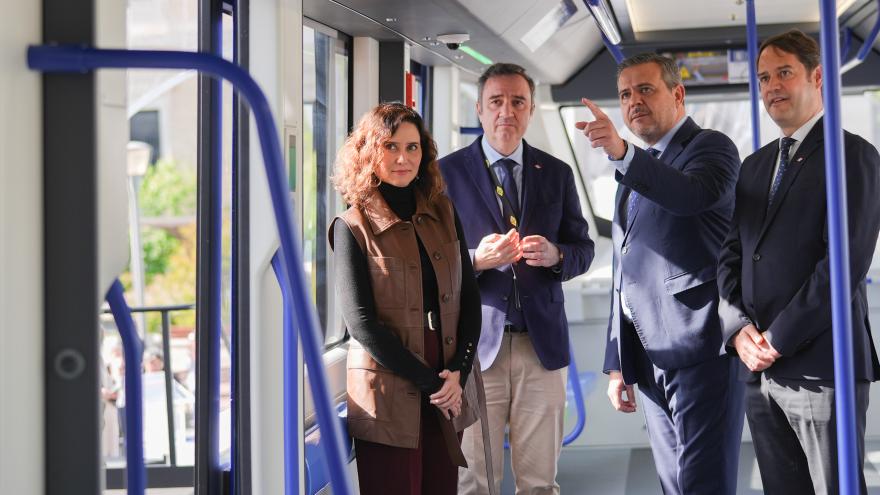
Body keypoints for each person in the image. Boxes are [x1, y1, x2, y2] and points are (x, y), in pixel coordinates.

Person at [717, 29, 880, 494]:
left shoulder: (852, 156)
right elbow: (731, 254)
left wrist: (777, 338)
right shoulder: (754, 165)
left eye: (783, 73)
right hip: (759, 369)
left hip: (823, 369)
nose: (771, 87)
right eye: (764, 78)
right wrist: (738, 330)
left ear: (817, 76)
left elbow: (843, 266)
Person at [577, 52, 744, 494]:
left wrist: (621, 153)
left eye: (645, 89)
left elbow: (690, 196)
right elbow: (624, 268)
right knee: (673, 484)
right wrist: (617, 362)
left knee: (703, 484)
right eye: (624, 94)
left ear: (678, 93)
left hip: (701, 346)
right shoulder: (633, 169)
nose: (633, 101)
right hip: (649, 354)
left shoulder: (711, 148)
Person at [440, 62, 595, 495]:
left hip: (540, 347)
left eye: (517, 101)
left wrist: (557, 255)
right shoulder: (445, 174)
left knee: (540, 482)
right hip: (474, 349)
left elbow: (583, 250)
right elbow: (428, 261)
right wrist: (476, 259)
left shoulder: (557, 173)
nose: (506, 111)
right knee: (475, 483)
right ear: (479, 109)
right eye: (496, 101)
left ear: (530, 110)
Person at [329, 102, 483, 495]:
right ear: (370, 152)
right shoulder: (352, 226)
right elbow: (362, 326)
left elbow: (468, 296)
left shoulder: (444, 211)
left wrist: (458, 373)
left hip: (447, 376)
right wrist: (432, 384)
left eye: (412, 147)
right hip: (389, 391)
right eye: (391, 147)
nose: (403, 158)